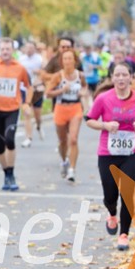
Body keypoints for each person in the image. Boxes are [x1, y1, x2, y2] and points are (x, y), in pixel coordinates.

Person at [86, 63, 135, 251]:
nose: (121, 78)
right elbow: (89, 120)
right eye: (117, 75)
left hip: (130, 154)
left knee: (127, 193)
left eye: (124, 74)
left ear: (130, 77)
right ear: (112, 78)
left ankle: (124, 234)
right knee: (110, 194)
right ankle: (111, 213)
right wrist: (105, 126)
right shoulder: (103, 98)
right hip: (107, 153)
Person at [0, 38, 31, 191]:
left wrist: (26, 103)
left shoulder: (20, 68)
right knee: (0, 145)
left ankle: (11, 172)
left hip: (12, 109)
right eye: (2, 49)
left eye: (8, 49)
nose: (5, 52)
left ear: (12, 50)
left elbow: (29, 87)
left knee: (10, 139)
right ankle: (6, 174)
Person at [45, 49, 87, 182]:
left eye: (70, 58)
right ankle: (64, 160)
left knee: (73, 139)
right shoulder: (58, 76)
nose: (68, 61)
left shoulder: (80, 76)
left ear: (74, 60)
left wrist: (83, 93)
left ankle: (72, 170)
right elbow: (47, 93)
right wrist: (62, 90)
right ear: (62, 61)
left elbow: (85, 88)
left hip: (75, 108)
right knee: (63, 141)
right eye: (65, 59)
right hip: (60, 108)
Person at [18, 42, 44, 146]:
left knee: (37, 114)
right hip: (24, 89)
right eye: (27, 47)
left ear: (34, 49)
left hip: (37, 89)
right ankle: (28, 137)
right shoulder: (21, 59)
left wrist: (39, 74)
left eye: (31, 48)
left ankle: (38, 125)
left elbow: (45, 73)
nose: (29, 49)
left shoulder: (39, 59)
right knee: (27, 113)